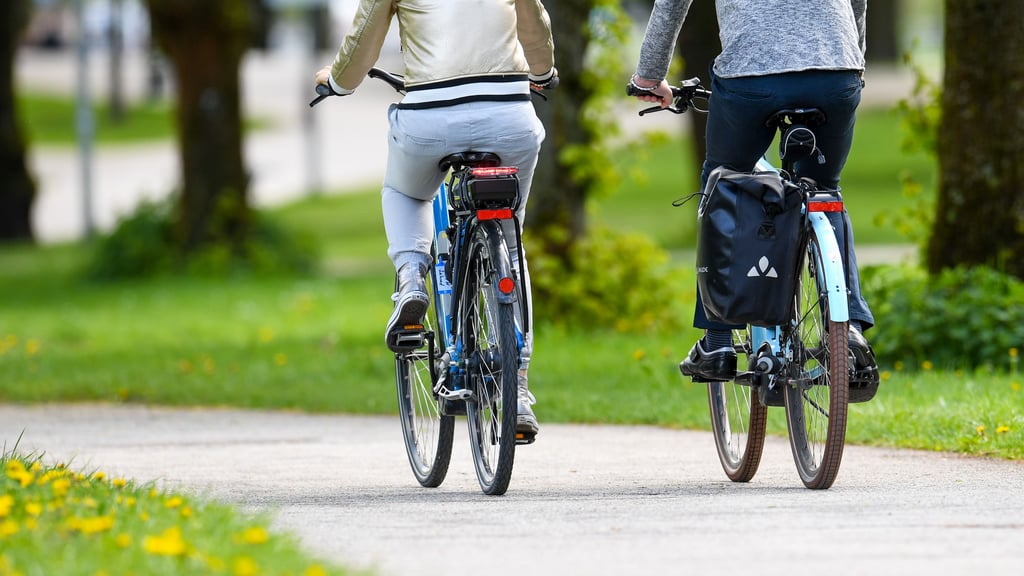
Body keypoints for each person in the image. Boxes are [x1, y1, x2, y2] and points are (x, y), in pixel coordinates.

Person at [315, 0, 557, 436]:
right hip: (507, 112)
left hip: (429, 114)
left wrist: (336, 82)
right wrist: (542, 73)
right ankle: (517, 389)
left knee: (405, 191)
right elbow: (533, 24)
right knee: (509, 234)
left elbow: (365, 33)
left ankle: (411, 278)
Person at [629, 0, 879, 390]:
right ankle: (849, 330)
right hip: (835, 71)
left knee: (723, 183)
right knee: (825, 191)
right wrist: (854, 59)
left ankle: (717, 342)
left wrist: (649, 76)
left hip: (752, 76)